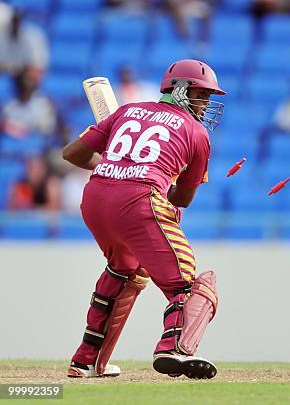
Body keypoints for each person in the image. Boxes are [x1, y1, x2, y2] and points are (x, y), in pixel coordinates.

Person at [61, 59, 226, 379]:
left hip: (95, 199)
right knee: (189, 284)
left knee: (124, 270)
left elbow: (72, 154)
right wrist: (150, 184)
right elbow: (183, 199)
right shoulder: (196, 133)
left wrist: (115, 166)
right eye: (202, 96)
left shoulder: (126, 111)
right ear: (179, 91)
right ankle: (174, 349)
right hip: (139, 202)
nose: (206, 105)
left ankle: (86, 360)